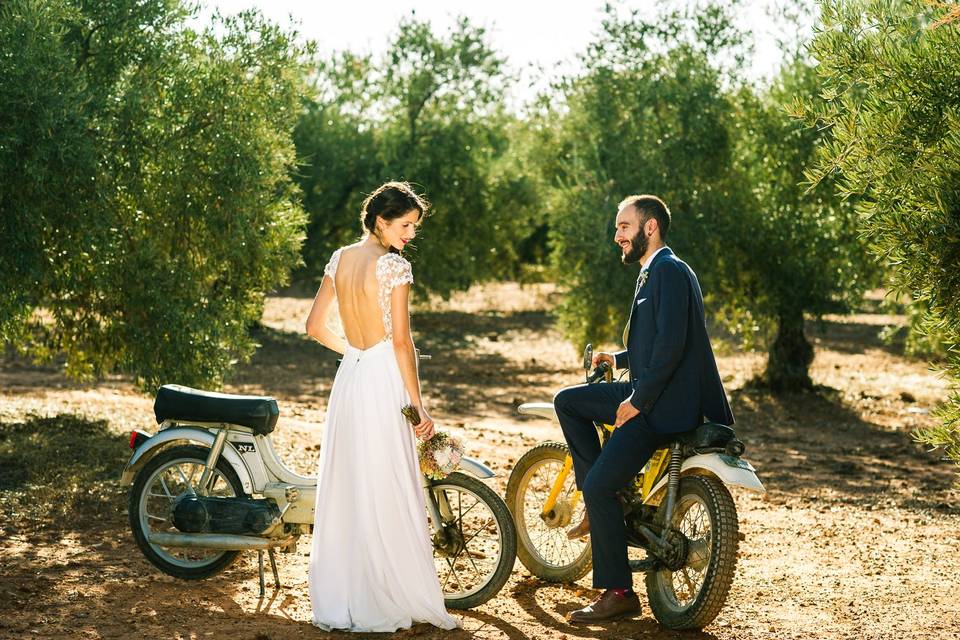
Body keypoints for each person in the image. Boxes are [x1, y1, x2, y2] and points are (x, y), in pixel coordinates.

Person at [555, 194, 734, 624]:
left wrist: (636, 402)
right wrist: (616, 360)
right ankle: (604, 505)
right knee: (568, 401)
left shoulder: (669, 271)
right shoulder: (654, 272)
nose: (617, 235)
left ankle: (618, 591)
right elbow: (656, 344)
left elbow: (672, 348)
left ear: (649, 228)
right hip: (651, 391)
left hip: (662, 407)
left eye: (624, 227)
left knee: (599, 487)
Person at [304, 181, 459, 632]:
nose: (410, 234)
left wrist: (353, 353)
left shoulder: (340, 259)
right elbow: (402, 344)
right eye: (406, 225)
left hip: (350, 378)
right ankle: (384, 594)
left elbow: (314, 325)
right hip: (380, 382)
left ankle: (348, 597)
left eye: (414, 227)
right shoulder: (393, 267)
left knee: (352, 484)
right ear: (381, 221)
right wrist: (419, 406)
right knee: (385, 482)